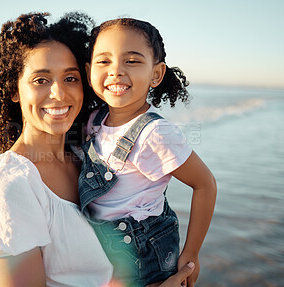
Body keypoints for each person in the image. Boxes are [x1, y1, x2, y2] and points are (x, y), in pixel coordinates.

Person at [0, 12, 198, 287]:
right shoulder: (9, 184)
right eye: (41, 80)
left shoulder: (89, 155)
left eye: (70, 78)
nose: (59, 93)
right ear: (14, 89)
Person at [79, 18, 217, 287]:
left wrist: (191, 253)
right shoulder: (95, 119)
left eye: (132, 61)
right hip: (103, 253)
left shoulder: (156, 134)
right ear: (88, 71)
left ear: (156, 74)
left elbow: (205, 184)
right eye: (104, 61)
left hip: (145, 257)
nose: (116, 70)